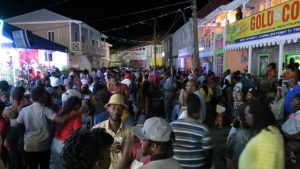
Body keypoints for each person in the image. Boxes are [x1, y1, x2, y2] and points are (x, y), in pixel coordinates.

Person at [238, 100, 284, 169]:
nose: (245, 117)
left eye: (247, 114)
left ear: (256, 114)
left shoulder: (266, 141)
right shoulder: (271, 130)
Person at [171, 94, 212, 169]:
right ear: (199, 108)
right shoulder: (203, 129)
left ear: (185, 108)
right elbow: (208, 152)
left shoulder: (172, 125)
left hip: (176, 165)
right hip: (197, 166)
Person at [92, 94, 133, 169]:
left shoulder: (130, 131)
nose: (116, 111)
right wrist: (108, 149)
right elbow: (91, 153)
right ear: (108, 109)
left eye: (120, 108)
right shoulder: (97, 129)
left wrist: (126, 149)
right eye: (113, 108)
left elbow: (132, 155)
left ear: (123, 110)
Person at [50, 96, 84, 169]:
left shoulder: (61, 111)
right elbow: (76, 132)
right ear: (76, 105)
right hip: (65, 144)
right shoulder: (76, 114)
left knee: (57, 166)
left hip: (55, 142)